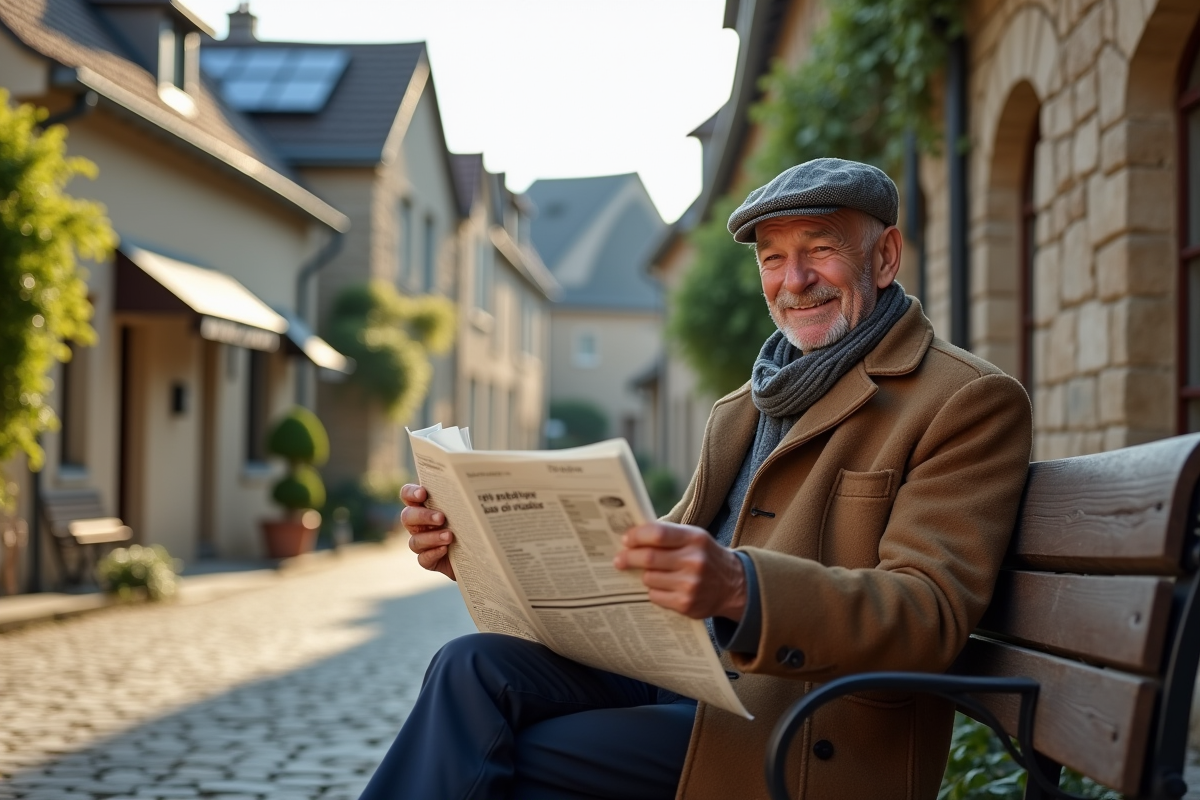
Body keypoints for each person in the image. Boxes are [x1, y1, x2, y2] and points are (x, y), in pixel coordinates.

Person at [358, 158, 1032, 800]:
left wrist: (743, 587)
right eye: (772, 258)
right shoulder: (744, 408)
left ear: (884, 256)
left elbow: (927, 615)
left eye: (819, 249)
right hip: (683, 677)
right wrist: (478, 553)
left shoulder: (963, 400)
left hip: (802, 721)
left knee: (518, 755)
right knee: (470, 668)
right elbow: (636, 578)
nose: (793, 279)